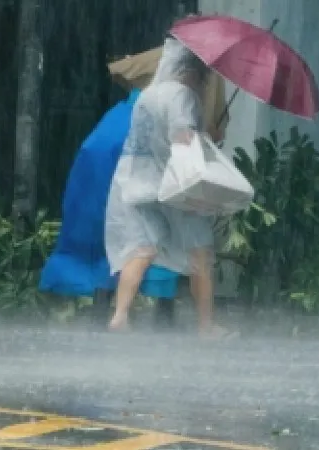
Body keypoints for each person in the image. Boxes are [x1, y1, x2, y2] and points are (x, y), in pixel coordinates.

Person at [105, 37, 232, 338]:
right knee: (200, 251)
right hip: (175, 188)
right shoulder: (182, 96)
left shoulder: (149, 95)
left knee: (142, 248)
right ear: (194, 72)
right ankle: (205, 326)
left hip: (139, 183)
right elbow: (182, 139)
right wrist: (207, 138)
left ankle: (120, 315)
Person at [38, 88, 180, 326]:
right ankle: (161, 316)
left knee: (106, 247)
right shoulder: (156, 117)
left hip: (95, 190)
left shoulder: (117, 115)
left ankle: (102, 307)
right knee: (158, 249)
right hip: (135, 191)